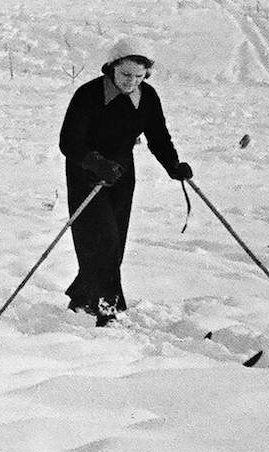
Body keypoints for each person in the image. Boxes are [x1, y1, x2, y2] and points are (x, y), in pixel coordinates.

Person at [58, 35, 193, 326]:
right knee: (100, 239)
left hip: (122, 173)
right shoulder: (88, 94)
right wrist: (96, 163)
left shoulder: (148, 97)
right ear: (111, 68)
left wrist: (173, 165)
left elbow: (158, 136)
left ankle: (83, 297)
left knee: (115, 243)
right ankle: (108, 309)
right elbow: (69, 142)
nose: (131, 81)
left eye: (138, 76)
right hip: (86, 174)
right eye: (125, 74)